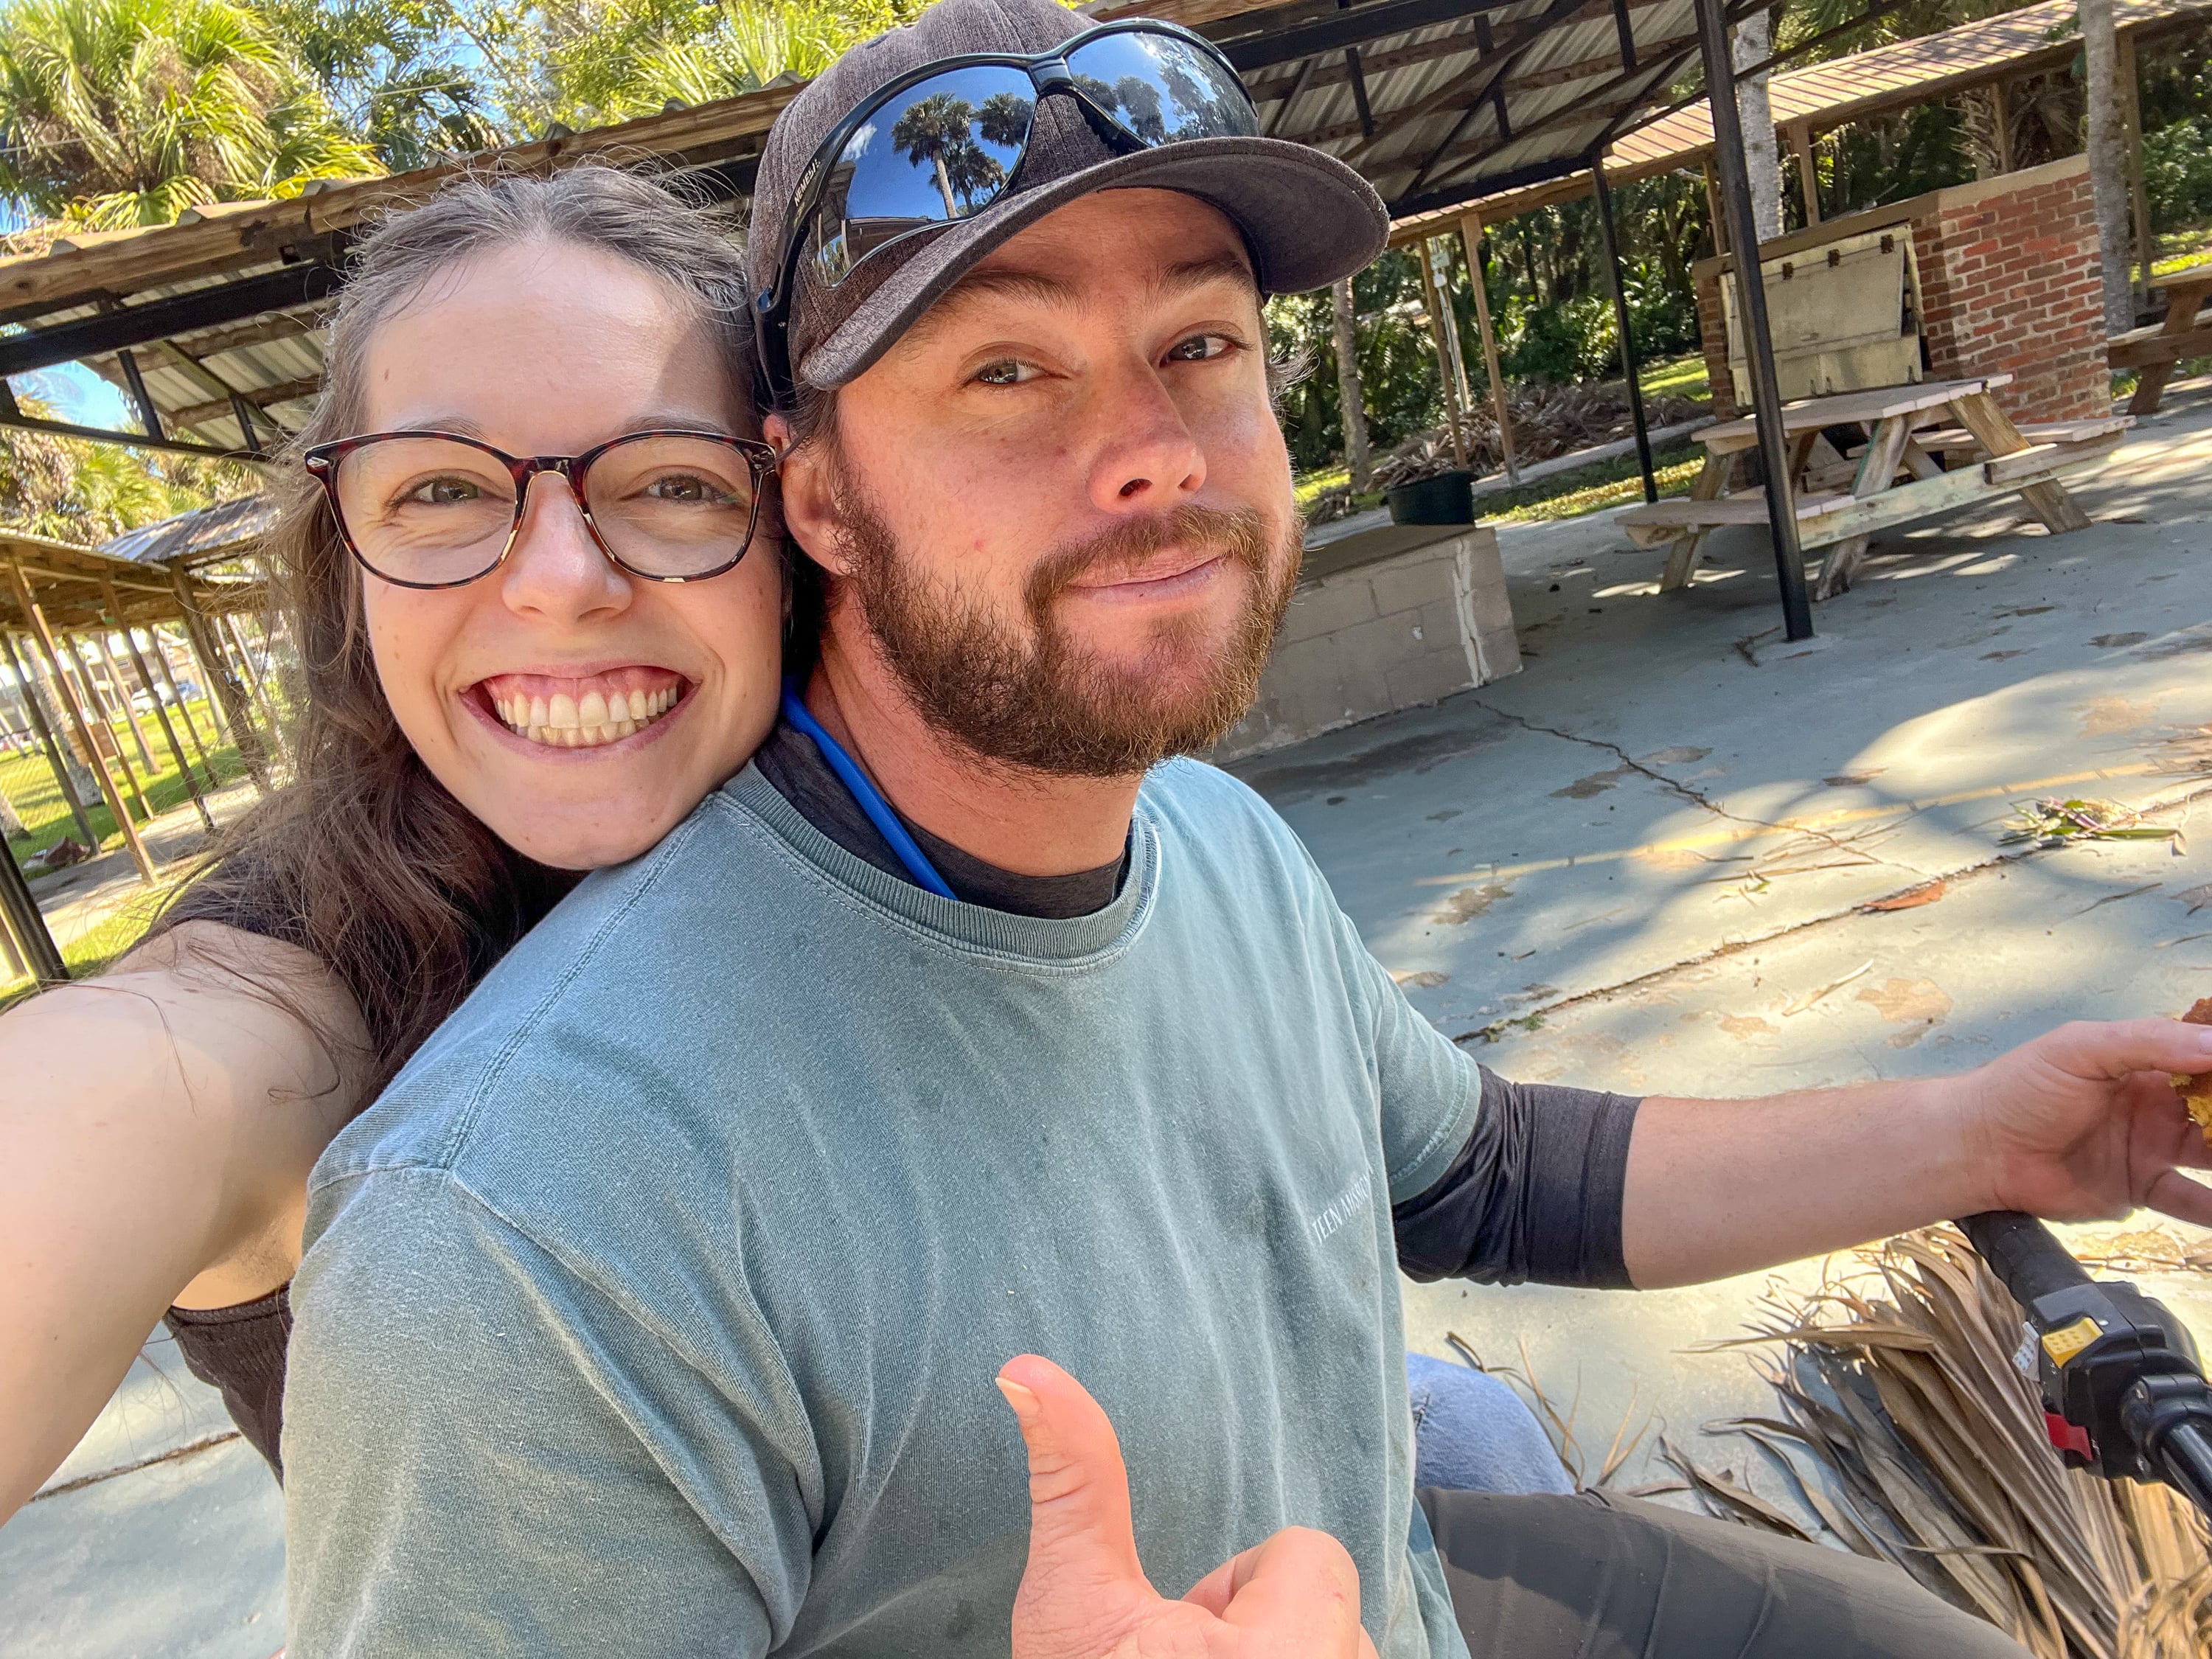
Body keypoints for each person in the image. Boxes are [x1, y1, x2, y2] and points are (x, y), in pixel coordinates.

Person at [282, 0, 2212, 1652]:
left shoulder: (1211, 845)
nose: (1151, 448)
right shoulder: (533, 1236)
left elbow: (1484, 1173)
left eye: (1199, 345)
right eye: (1008, 370)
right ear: (818, 500)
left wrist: (1990, 1129)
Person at [0, 165, 787, 1514]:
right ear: (347, 566)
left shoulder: (909, 850)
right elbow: (107, 1106)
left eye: (674, 480)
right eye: (440, 491)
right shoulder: (273, 1006)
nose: (559, 582)